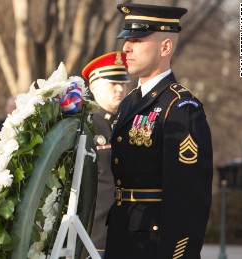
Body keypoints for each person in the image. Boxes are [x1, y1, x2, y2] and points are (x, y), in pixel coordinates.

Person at [105, 4, 213, 259]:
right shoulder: (130, 102)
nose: (126, 48)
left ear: (165, 47)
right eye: (126, 39)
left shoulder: (181, 108)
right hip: (123, 236)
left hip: (156, 244)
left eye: (138, 40)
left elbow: (188, 198)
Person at [81, 51, 130, 258]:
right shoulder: (84, 127)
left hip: (129, 236)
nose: (120, 89)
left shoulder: (131, 124)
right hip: (94, 238)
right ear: (93, 86)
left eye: (123, 83)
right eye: (113, 83)